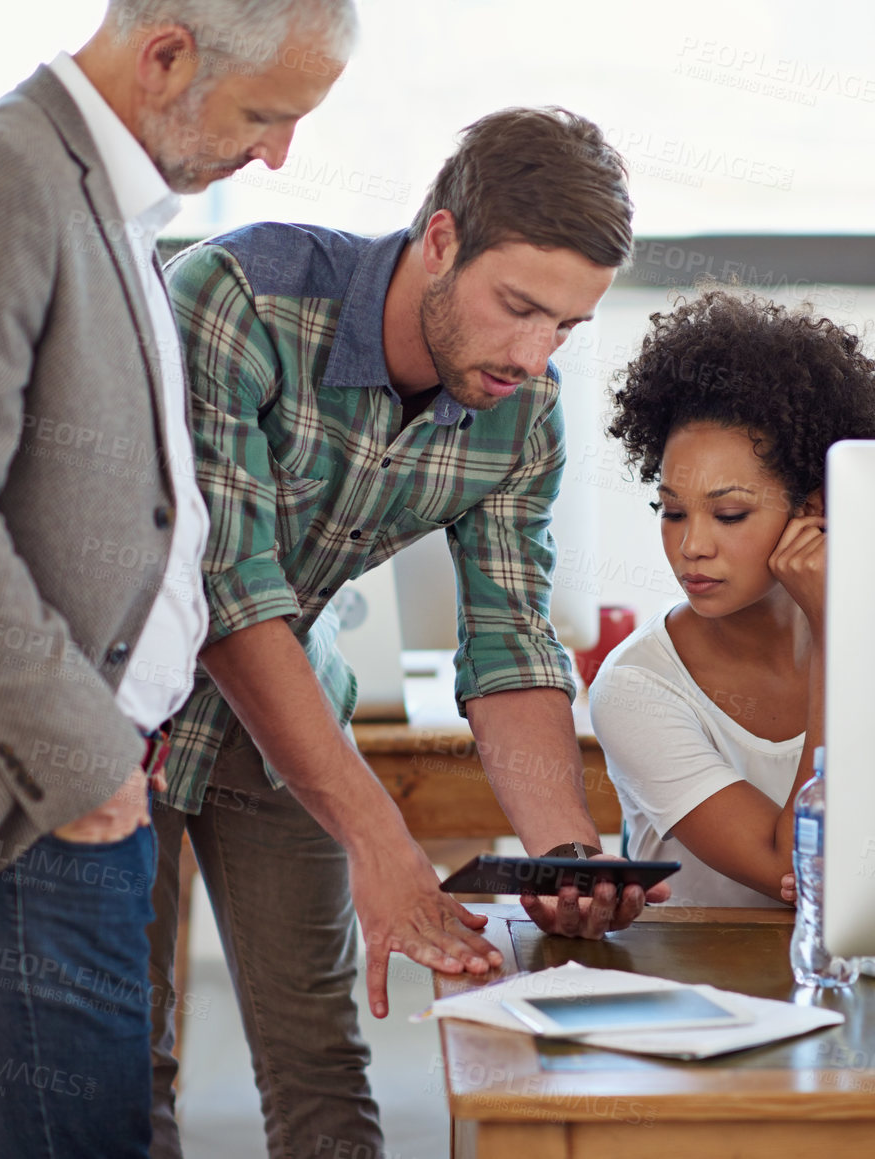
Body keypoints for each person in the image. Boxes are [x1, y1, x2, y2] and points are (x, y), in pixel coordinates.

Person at [0, 2, 353, 1155]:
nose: (277, 153)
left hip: (57, 800)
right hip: (25, 809)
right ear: (166, 56)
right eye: (266, 115)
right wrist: (86, 759)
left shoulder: (104, 197)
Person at [147, 106, 671, 1159]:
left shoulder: (524, 411)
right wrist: (382, 842)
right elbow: (229, 592)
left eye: (565, 326)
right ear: (440, 240)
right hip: (127, 720)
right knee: (124, 1069)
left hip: (290, 721)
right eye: (517, 306)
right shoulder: (236, 299)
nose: (534, 353)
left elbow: (509, 638)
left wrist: (561, 851)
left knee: (321, 1066)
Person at [588, 290, 875, 908]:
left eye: (730, 514)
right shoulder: (636, 688)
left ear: (813, 510)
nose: (691, 545)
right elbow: (800, 871)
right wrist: (830, 634)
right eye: (673, 512)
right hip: (697, 990)